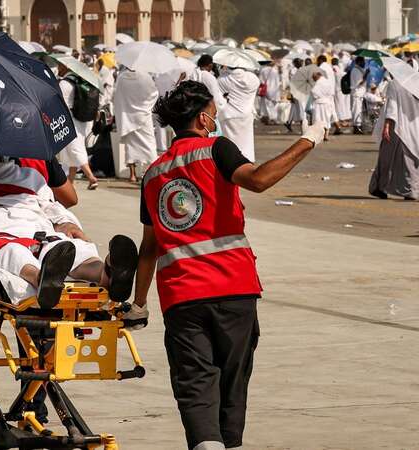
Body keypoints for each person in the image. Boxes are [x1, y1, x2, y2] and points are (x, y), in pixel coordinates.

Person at [128, 80, 326, 450]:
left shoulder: (153, 174)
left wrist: (139, 304)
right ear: (203, 119)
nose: (215, 121)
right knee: (233, 385)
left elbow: (149, 247)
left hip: (182, 296)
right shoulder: (216, 148)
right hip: (234, 289)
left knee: (196, 386)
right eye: (214, 115)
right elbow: (259, 179)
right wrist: (307, 140)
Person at [0, 142, 139, 308]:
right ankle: (41, 278)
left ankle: (107, 271)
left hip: (35, 224)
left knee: (65, 245)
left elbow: (49, 205)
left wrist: (66, 222)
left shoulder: (27, 175)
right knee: (10, 250)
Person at [369, 79, 419, 200]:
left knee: (387, 158)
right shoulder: (415, 83)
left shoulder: (394, 84)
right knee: (409, 160)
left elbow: (392, 106)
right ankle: (411, 190)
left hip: (396, 127)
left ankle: (380, 187)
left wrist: (387, 125)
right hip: (414, 126)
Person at [57, 62, 100, 189]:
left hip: (70, 118)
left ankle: (91, 177)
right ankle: (70, 182)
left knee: (75, 148)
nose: (59, 68)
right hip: (81, 119)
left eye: (60, 66)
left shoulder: (64, 83)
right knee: (73, 149)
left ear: (66, 67)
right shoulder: (80, 81)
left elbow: (61, 103)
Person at [113, 67, 159, 183]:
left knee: (130, 147)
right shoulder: (145, 77)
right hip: (143, 116)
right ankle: (151, 172)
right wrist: (145, 107)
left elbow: (117, 95)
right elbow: (154, 94)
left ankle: (132, 175)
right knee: (149, 145)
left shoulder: (122, 78)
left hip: (128, 116)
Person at [218, 65, 259, 161]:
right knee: (246, 143)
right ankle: (247, 161)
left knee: (230, 143)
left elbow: (219, 94)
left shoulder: (222, 79)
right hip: (246, 114)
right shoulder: (252, 78)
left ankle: (230, 162)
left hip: (229, 115)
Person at [310, 70, 340, 141]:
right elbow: (331, 93)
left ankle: (318, 135)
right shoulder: (328, 82)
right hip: (327, 102)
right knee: (326, 119)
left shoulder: (316, 84)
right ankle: (326, 135)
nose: (313, 79)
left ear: (317, 76)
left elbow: (314, 94)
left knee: (318, 119)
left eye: (313, 77)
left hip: (318, 103)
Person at [350, 56, 369, 135]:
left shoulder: (359, 70)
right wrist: (366, 74)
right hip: (357, 94)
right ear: (358, 62)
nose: (364, 63)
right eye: (363, 61)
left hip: (360, 94)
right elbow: (360, 82)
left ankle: (358, 126)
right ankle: (356, 127)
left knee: (359, 110)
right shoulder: (355, 70)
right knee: (356, 110)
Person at [333, 57, 352, 129]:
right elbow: (343, 75)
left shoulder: (332, 69)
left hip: (335, 90)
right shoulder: (337, 69)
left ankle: (340, 120)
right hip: (339, 89)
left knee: (338, 105)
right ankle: (342, 120)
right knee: (340, 105)